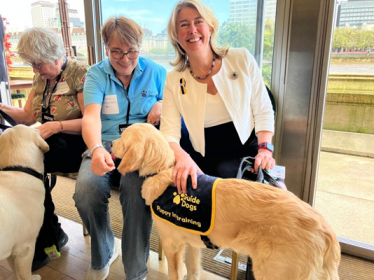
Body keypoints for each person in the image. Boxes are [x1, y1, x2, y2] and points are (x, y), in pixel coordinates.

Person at [73, 16, 166, 280]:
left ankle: (136, 272)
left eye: (132, 52)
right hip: (105, 144)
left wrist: (162, 104)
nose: (125, 59)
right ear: (106, 48)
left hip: (139, 151)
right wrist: (95, 148)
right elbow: (90, 116)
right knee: (86, 192)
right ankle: (105, 251)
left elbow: (176, 110)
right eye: (116, 52)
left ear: (140, 47)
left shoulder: (156, 73)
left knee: (137, 195)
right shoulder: (96, 74)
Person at [161, 0, 287, 194]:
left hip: (248, 149)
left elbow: (263, 109)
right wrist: (182, 157)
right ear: (176, 36)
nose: (192, 30)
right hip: (205, 155)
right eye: (184, 25)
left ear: (210, 27)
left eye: (198, 21)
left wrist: (265, 150)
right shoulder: (173, 80)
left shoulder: (241, 58)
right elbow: (169, 132)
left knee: (278, 197)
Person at [0, 27, 89, 270]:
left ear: (52, 53)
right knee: (12, 165)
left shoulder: (80, 73)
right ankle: (42, 231)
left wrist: (57, 126)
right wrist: (3, 108)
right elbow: (28, 117)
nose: (34, 70)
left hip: (73, 144)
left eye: (37, 64)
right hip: (44, 143)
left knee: (20, 170)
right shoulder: (40, 78)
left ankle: (42, 234)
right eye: (32, 65)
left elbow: (92, 121)